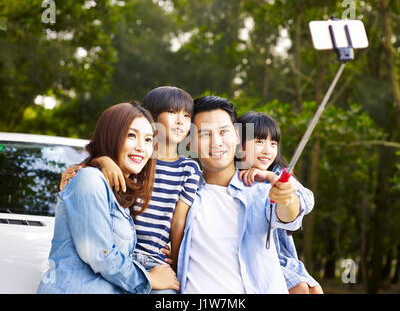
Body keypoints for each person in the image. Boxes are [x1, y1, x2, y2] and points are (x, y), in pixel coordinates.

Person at [59, 87, 201, 293]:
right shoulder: (137, 163)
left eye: (187, 116)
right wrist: (101, 161)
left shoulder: (183, 167)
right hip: (124, 254)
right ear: (151, 118)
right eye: (172, 112)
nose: (180, 121)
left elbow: (179, 220)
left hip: (154, 258)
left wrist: (178, 262)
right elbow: (100, 184)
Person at [176, 95, 314, 293]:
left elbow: (287, 216)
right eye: (205, 134)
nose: (216, 142)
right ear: (189, 142)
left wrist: (287, 198)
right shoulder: (181, 193)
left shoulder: (259, 189)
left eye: (224, 132)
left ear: (237, 136)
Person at [37, 102, 179, 294]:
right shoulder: (89, 179)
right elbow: (99, 254)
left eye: (147, 140)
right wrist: (149, 279)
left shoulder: (119, 195)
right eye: (131, 135)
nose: (141, 148)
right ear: (111, 136)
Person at [236, 111, 323, 294]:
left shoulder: (275, 173)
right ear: (238, 143)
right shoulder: (231, 178)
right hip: (254, 258)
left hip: (281, 256)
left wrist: (271, 177)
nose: (268, 150)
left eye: (273, 143)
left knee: (315, 289)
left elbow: (306, 199)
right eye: (259, 141)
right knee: (299, 288)